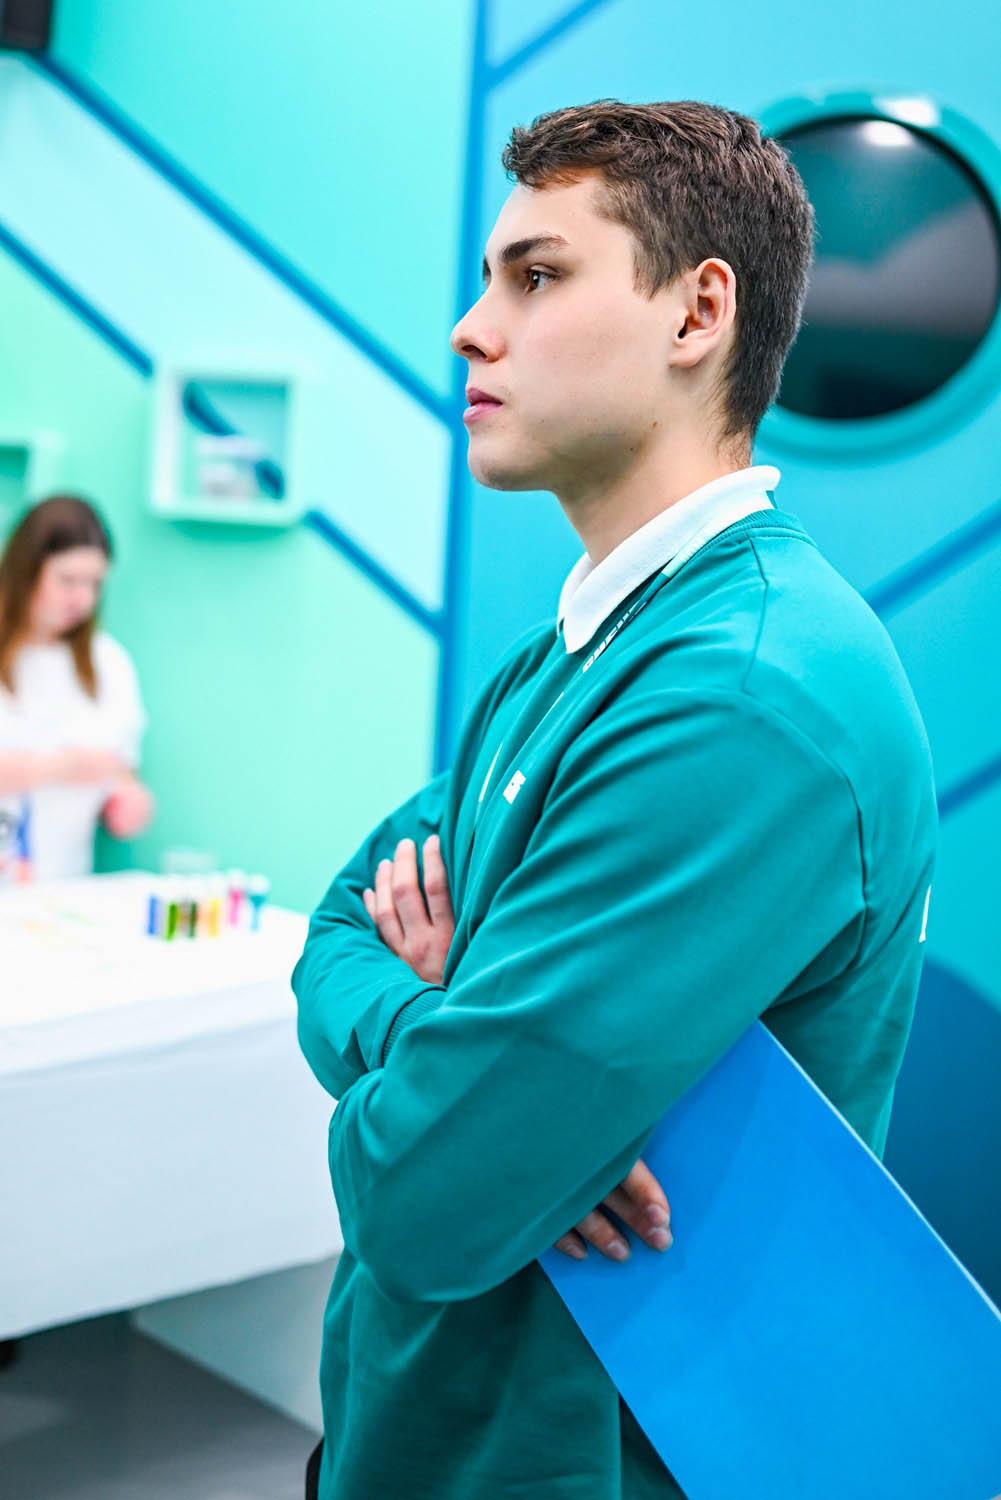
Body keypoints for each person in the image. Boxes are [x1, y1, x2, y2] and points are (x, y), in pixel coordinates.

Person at [292, 100, 938, 1500]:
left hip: (576, 1459)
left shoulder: (744, 694)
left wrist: (471, 1098)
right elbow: (334, 932)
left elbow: (426, 1190)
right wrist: (440, 1034)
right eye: (487, 280)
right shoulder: (584, 646)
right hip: (414, 1432)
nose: (469, 330)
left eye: (535, 276)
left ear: (697, 313)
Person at [0, 494, 153, 882]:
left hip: (63, 888)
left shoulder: (108, 663)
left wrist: (127, 801)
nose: (82, 598)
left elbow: (121, 771)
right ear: (25, 571)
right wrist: (60, 767)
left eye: (94, 583)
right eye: (67, 580)